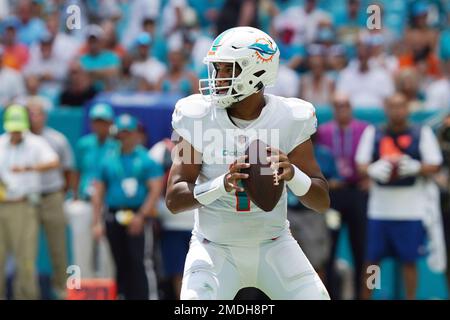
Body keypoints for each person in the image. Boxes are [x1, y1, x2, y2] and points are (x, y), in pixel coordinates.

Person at [165, 26, 331, 300]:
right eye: (216, 69)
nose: (216, 78)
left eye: (225, 70)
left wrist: (293, 174)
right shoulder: (197, 116)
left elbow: (321, 201)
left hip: (274, 245)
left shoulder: (290, 117)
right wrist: (223, 185)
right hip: (213, 248)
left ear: (255, 72)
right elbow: (174, 198)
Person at [356, 93, 442, 299]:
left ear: (408, 108)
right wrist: (372, 170)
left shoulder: (422, 132)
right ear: (385, 109)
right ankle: (369, 296)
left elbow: (435, 163)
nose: (397, 111)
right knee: (373, 260)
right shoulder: (374, 132)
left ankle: (410, 297)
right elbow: (361, 163)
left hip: (410, 208)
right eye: (392, 106)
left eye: (401, 106)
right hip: (380, 208)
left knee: (409, 260)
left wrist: (416, 167)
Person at [92, 114, 164, 300]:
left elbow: (155, 190)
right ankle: (122, 295)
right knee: (119, 260)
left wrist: (141, 216)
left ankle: (148, 296)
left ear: (136, 134)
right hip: (114, 213)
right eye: (120, 134)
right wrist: (97, 221)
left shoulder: (145, 159)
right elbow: (98, 190)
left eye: (128, 133)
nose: (123, 137)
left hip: (138, 213)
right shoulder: (109, 158)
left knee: (141, 260)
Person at [0, 104, 59, 299]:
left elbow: (53, 161)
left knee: (25, 260)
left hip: (23, 206)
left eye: (19, 128)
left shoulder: (36, 143)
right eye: (13, 129)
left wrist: (28, 168)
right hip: (2, 204)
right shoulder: (1, 143)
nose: (16, 133)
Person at [316, 92, 369, 299]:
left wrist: (370, 178)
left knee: (363, 248)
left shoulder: (364, 129)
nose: (342, 109)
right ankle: (330, 295)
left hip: (357, 193)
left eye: (345, 105)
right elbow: (316, 158)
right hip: (333, 196)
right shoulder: (325, 131)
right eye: (337, 105)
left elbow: (374, 154)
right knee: (328, 248)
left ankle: (363, 294)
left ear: (351, 107)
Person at [27, 97, 74, 299]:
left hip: (52, 195)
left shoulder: (57, 139)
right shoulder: (18, 139)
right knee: (25, 248)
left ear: (45, 117)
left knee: (58, 247)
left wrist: (65, 194)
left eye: (38, 113)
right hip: (26, 198)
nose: (34, 117)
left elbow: (68, 169)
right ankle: (28, 292)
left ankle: (62, 290)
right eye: (30, 113)